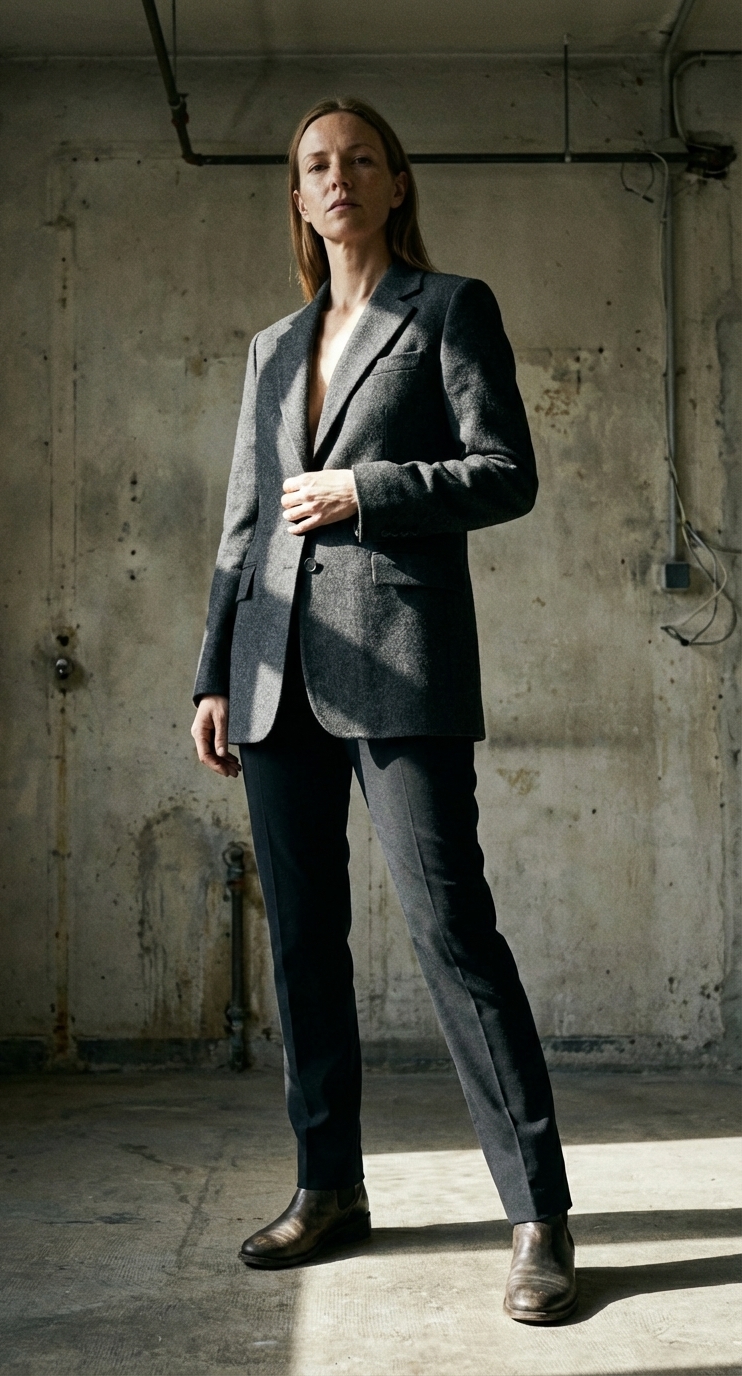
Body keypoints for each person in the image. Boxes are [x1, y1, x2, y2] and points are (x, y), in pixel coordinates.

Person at [191, 95, 576, 1324]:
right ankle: (328, 1185)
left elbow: (505, 472)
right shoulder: (271, 347)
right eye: (317, 163)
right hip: (273, 673)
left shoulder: (449, 307)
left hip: (401, 666)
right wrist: (213, 671)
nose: (339, 175)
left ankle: (539, 1214)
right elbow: (245, 520)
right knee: (303, 943)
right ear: (298, 196)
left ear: (396, 182)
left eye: (361, 157)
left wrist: (366, 488)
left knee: (453, 931)